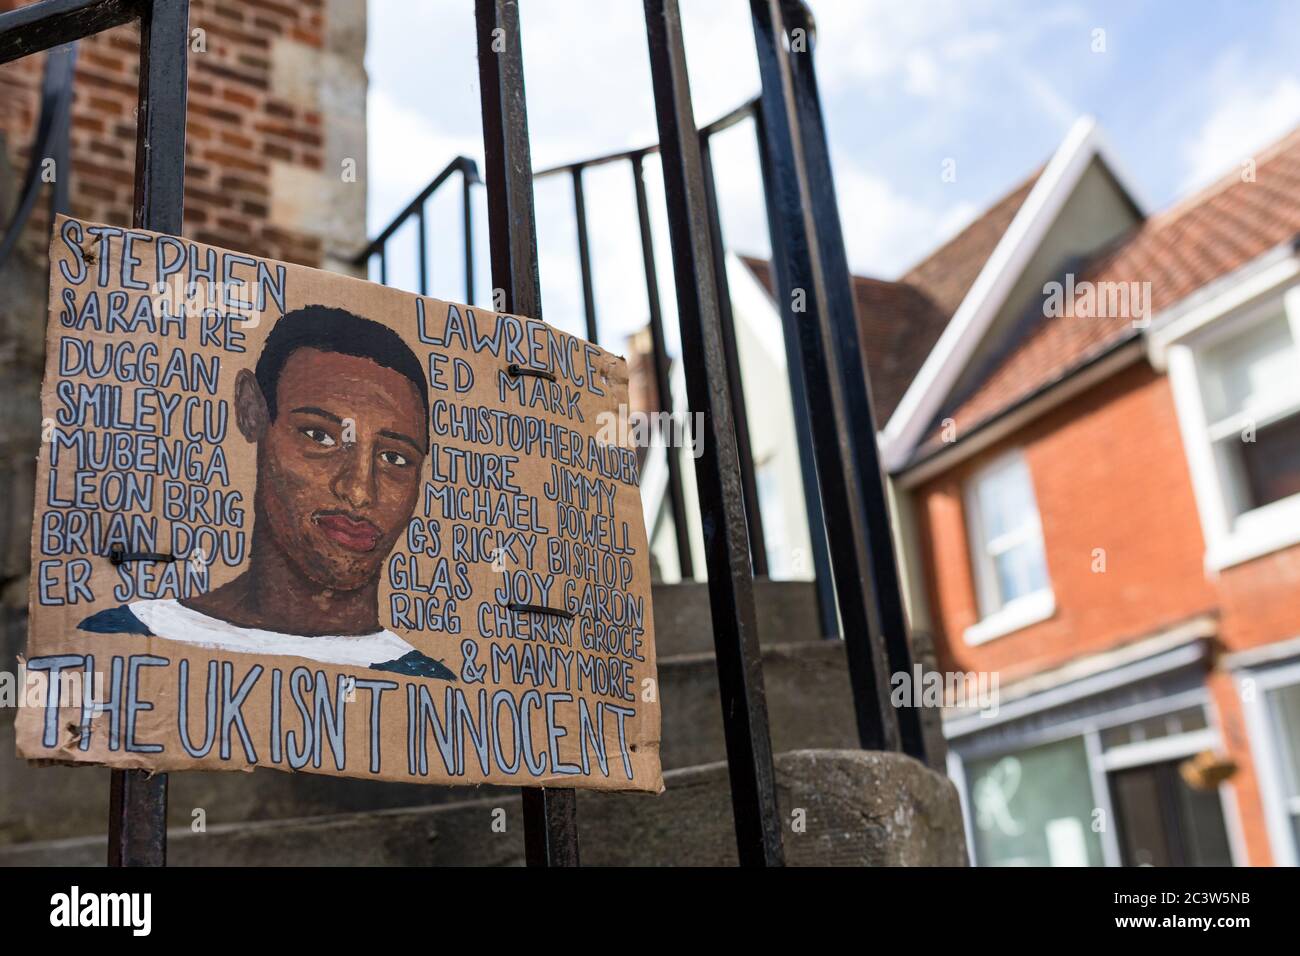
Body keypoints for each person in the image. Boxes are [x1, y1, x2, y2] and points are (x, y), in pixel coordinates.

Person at [79, 305, 454, 679]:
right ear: (252, 411)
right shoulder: (123, 639)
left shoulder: (428, 686)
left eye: (394, 457)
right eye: (320, 436)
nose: (358, 491)